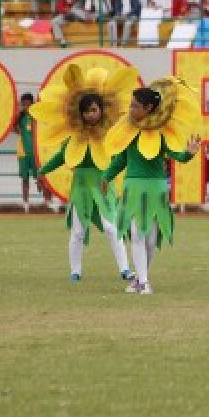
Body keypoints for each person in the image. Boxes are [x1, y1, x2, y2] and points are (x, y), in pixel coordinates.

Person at [33, 62, 134, 283]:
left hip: (103, 183)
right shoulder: (74, 133)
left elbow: (120, 156)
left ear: (101, 110)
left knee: (110, 227)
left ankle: (125, 270)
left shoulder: (111, 131)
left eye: (94, 110)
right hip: (80, 185)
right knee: (77, 232)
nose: (90, 115)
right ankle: (75, 272)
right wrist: (43, 170)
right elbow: (62, 156)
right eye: (86, 111)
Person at [103, 80, 201, 295]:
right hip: (133, 187)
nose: (131, 109)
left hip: (156, 188)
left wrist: (189, 154)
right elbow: (121, 160)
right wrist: (106, 177)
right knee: (137, 234)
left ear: (148, 108)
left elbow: (176, 155)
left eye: (136, 106)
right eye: (131, 105)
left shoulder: (160, 131)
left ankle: (140, 279)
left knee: (150, 240)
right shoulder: (129, 130)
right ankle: (145, 283)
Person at [12, 93, 45, 211]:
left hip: (36, 153)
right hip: (23, 153)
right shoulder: (20, 117)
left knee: (41, 178)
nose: (25, 106)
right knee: (25, 179)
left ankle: (46, 201)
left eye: (28, 104)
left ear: (33, 103)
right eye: (23, 104)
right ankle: (25, 202)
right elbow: (14, 128)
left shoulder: (38, 116)